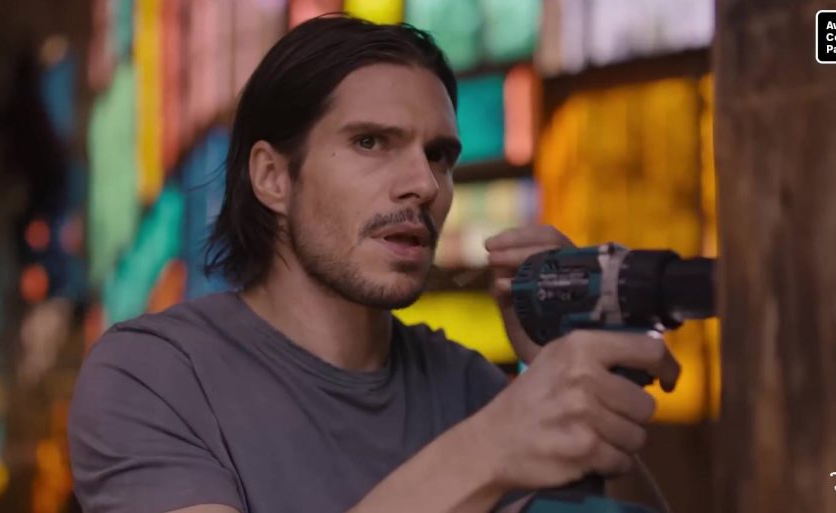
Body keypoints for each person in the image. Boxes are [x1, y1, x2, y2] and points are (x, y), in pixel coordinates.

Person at [68, 15, 680, 513]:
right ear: (273, 177)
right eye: (371, 142)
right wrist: (491, 449)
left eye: (439, 155)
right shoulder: (151, 375)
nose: (424, 184)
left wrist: (568, 376)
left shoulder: (465, 386)